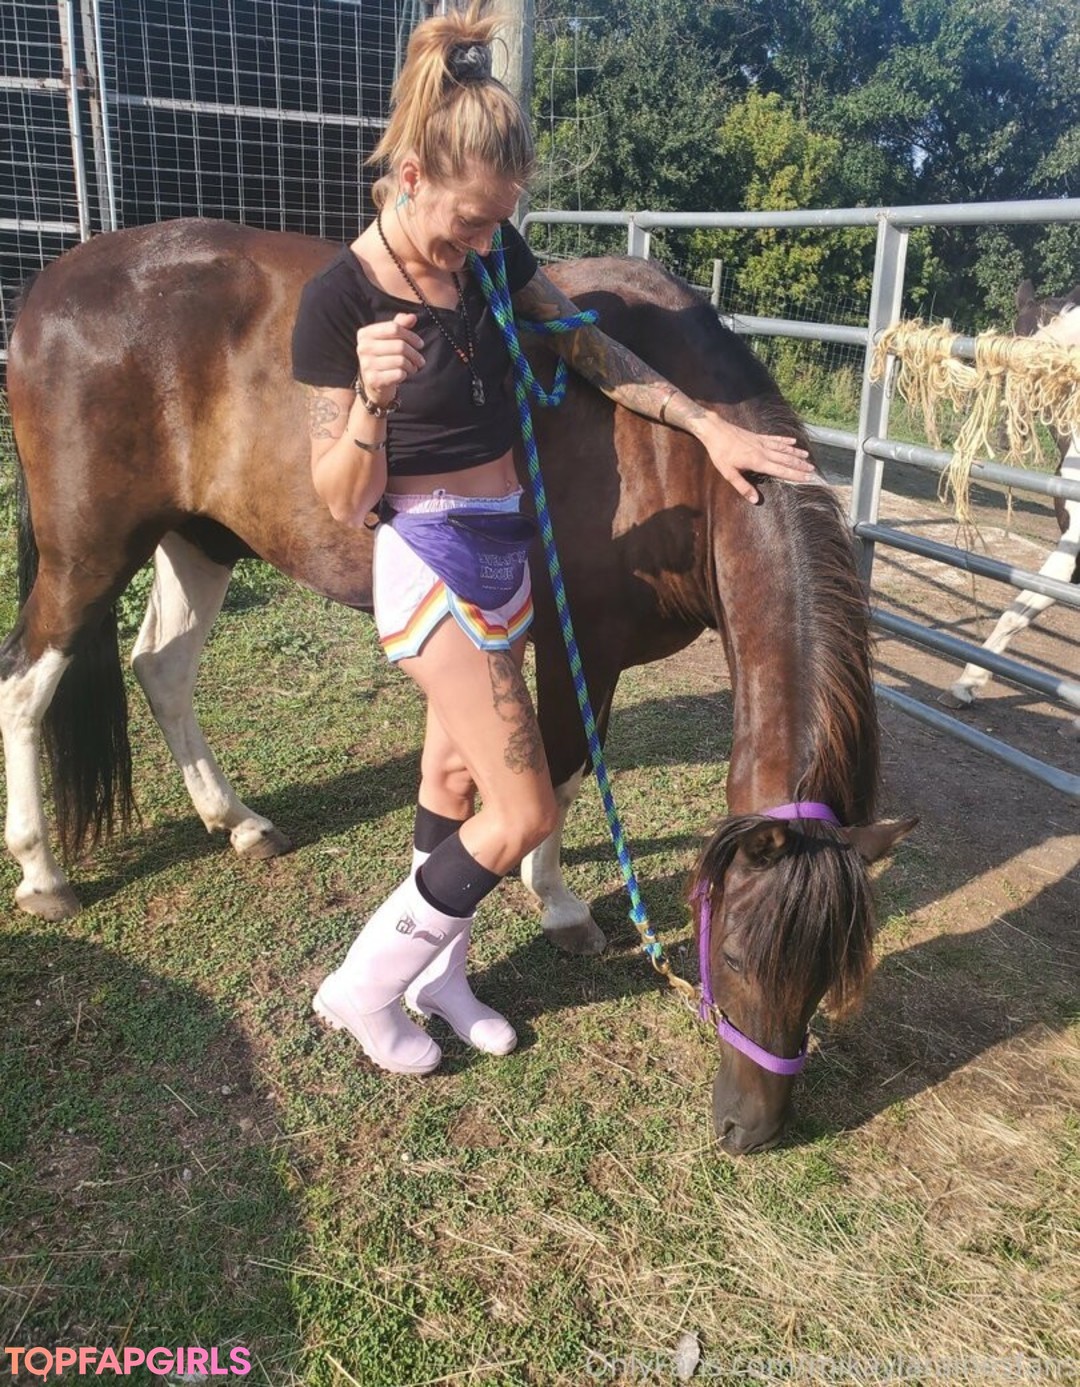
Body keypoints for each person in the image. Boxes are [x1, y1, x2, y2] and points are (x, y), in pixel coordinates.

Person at [291, 1, 814, 1076]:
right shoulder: (337, 301)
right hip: (429, 560)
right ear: (410, 178)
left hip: (508, 553)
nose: (488, 243)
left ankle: (442, 976)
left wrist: (707, 423)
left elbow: (588, 350)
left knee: (452, 779)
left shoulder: (489, 255)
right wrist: (371, 403)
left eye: (502, 222)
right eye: (472, 220)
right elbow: (342, 496)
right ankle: (364, 987)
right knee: (523, 807)